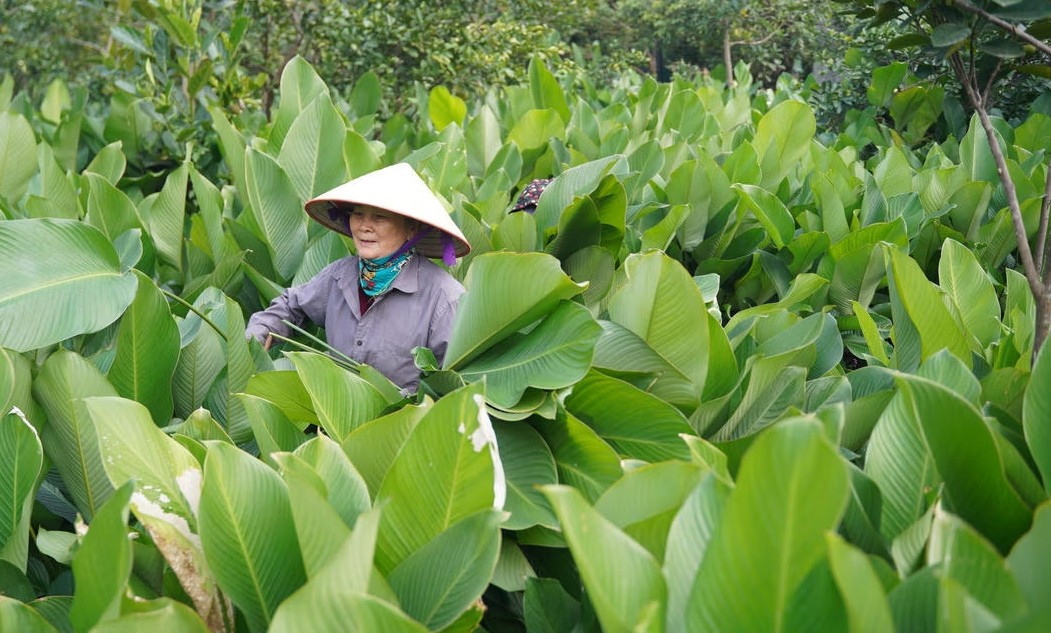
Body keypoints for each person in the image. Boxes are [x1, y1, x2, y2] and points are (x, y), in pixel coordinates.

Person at [245, 163, 471, 392]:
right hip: (332, 417)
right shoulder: (338, 276)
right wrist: (260, 330)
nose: (364, 226)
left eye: (379, 217)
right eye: (358, 214)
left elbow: (452, 386)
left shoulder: (444, 298)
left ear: (411, 228)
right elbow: (292, 306)